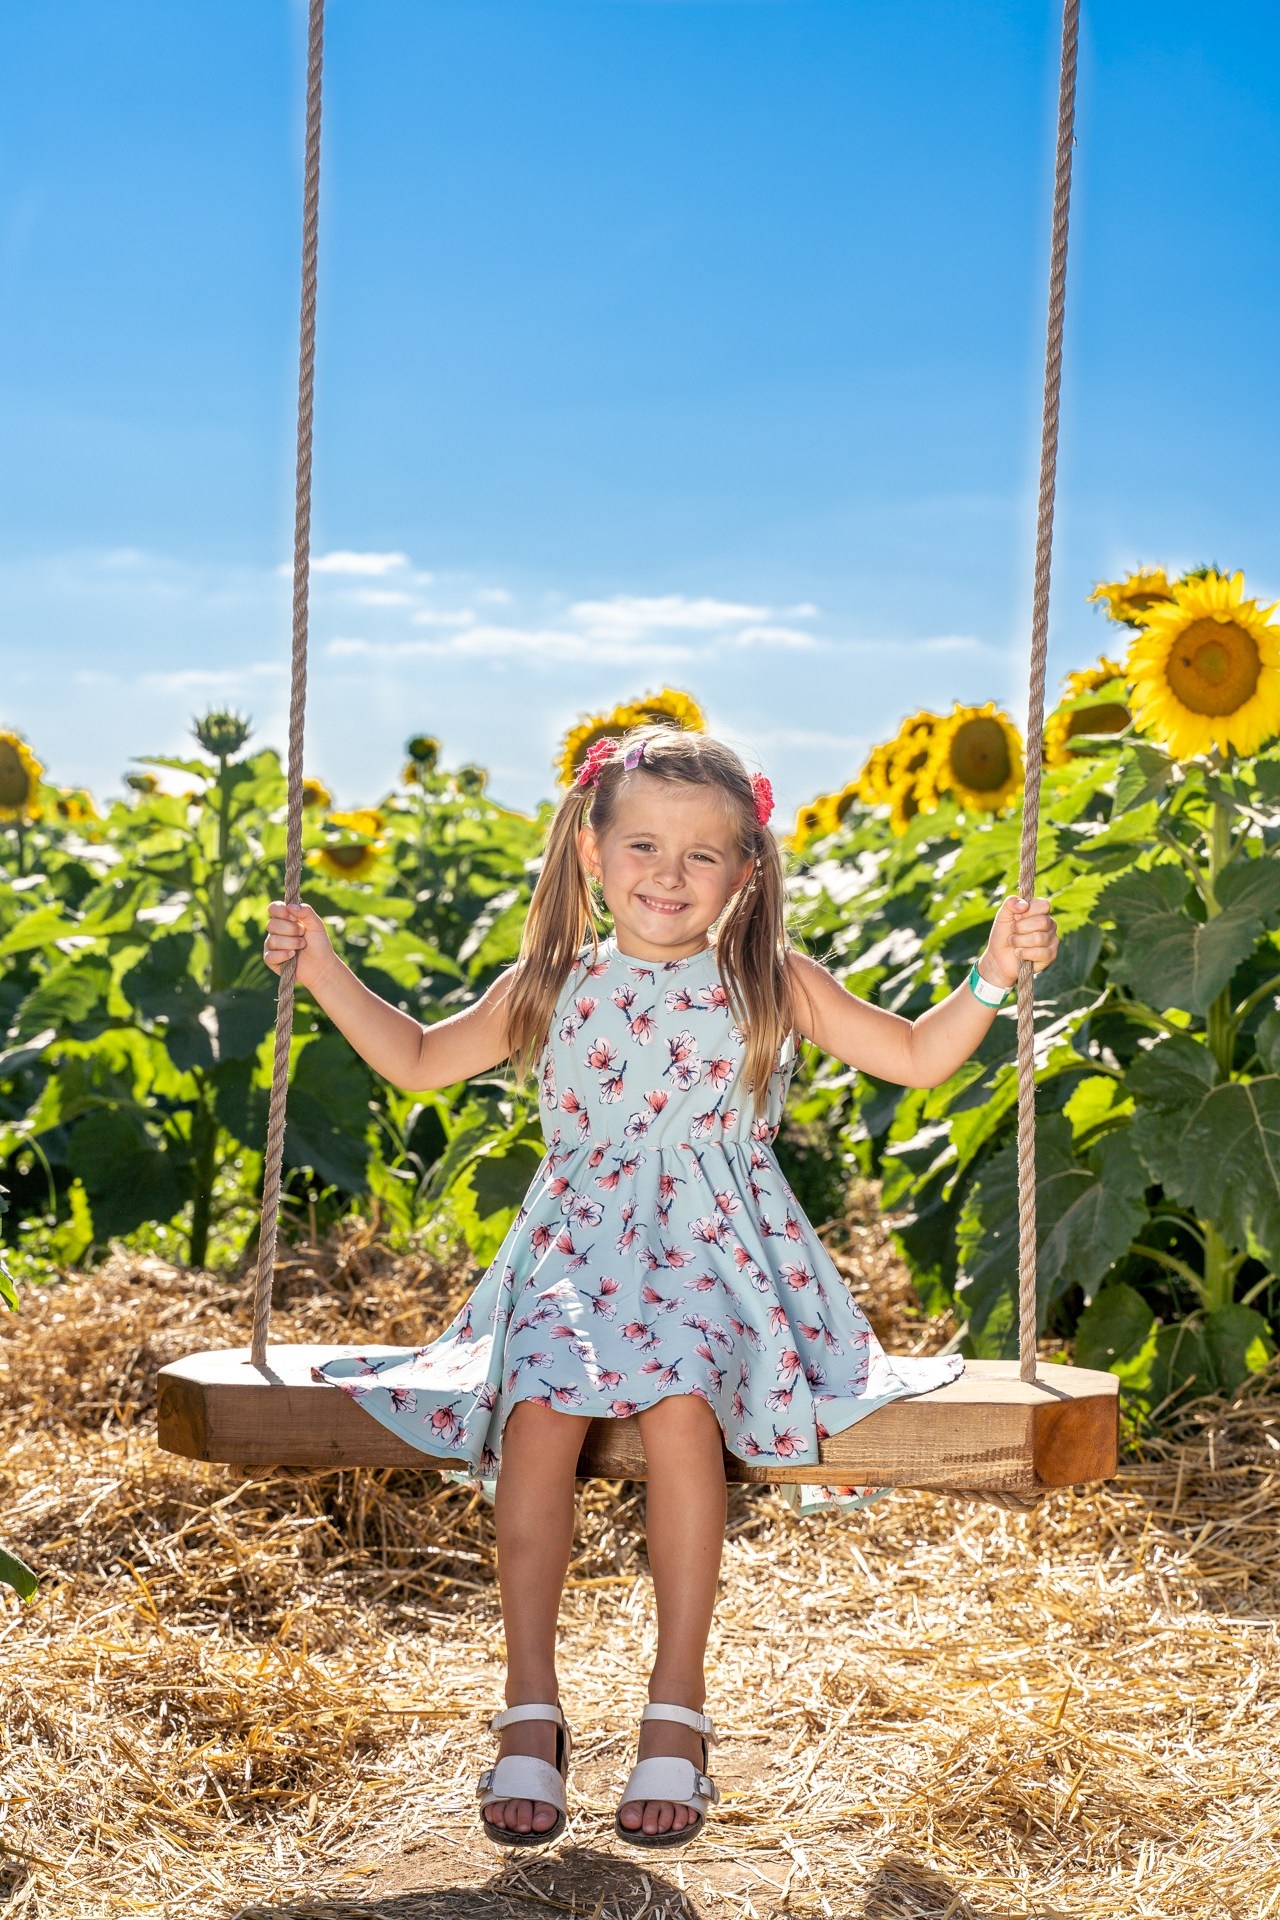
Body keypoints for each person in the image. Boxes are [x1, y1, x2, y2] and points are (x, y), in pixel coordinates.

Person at [263, 722, 1059, 1853]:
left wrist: (991, 972)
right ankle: (528, 1703)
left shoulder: (766, 979)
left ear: (746, 871)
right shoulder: (552, 980)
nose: (667, 877)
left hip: (718, 1260)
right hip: (574, 1258)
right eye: (641, 846)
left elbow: (920, 1058)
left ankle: (674, 1707)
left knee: (682, 1407)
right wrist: (321, 964)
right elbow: (417, 1057)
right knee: (537, 1415)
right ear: (589, 852)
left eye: (700, 855)